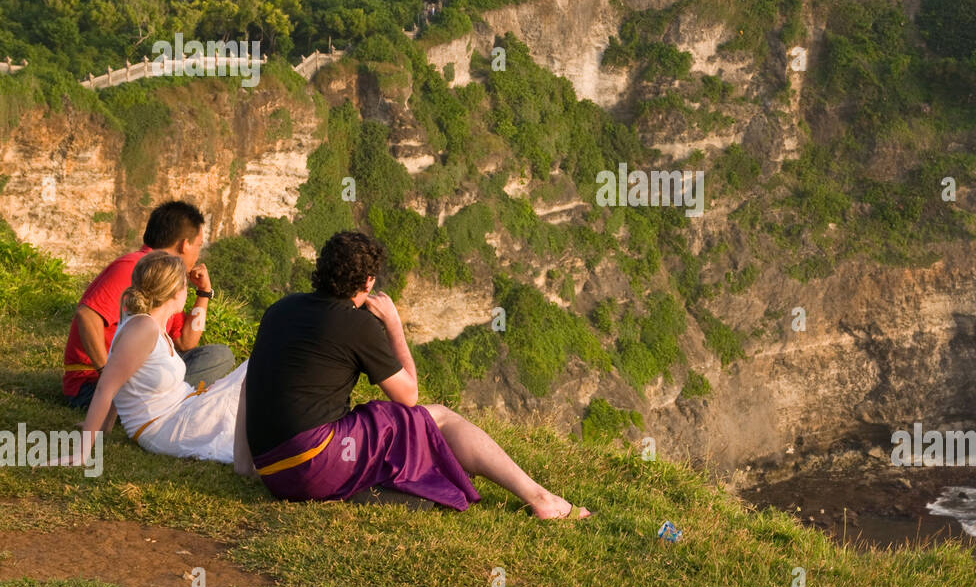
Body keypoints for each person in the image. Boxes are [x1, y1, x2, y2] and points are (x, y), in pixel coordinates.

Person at [240, 230, 590, 520]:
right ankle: (539, 497)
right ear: (369, 281)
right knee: (437, 418)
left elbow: (252, 382)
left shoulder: (280, 309)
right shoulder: (355, 323)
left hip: (272, 471)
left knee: (376, 419)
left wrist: (246, 463)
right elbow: (408, 397)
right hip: (311, 465)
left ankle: (404, 485)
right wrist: (394, 325)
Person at [72, 251, 252, 465]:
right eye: (186, 286)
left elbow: (123, 380)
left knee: (256, 369)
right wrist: (82, 452)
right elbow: (107, 387)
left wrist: (106, 426)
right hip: (168, 426)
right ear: (176, 292)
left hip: (185, 408)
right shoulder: (142, 328)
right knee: (260, 367)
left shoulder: (154, 326)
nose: (187, 291)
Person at [62, 200, 236, 411]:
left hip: (137, 374)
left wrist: (203, 293)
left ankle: (175, 399)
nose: (198, 254)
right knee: (217, 365)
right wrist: (107, 375)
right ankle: (174, 401)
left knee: (218, 356)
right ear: (184, 244)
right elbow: (86, 315)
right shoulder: (133, 266)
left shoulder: (164, 274)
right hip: (91, 385)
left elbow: (185, 341)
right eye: (198, 245)